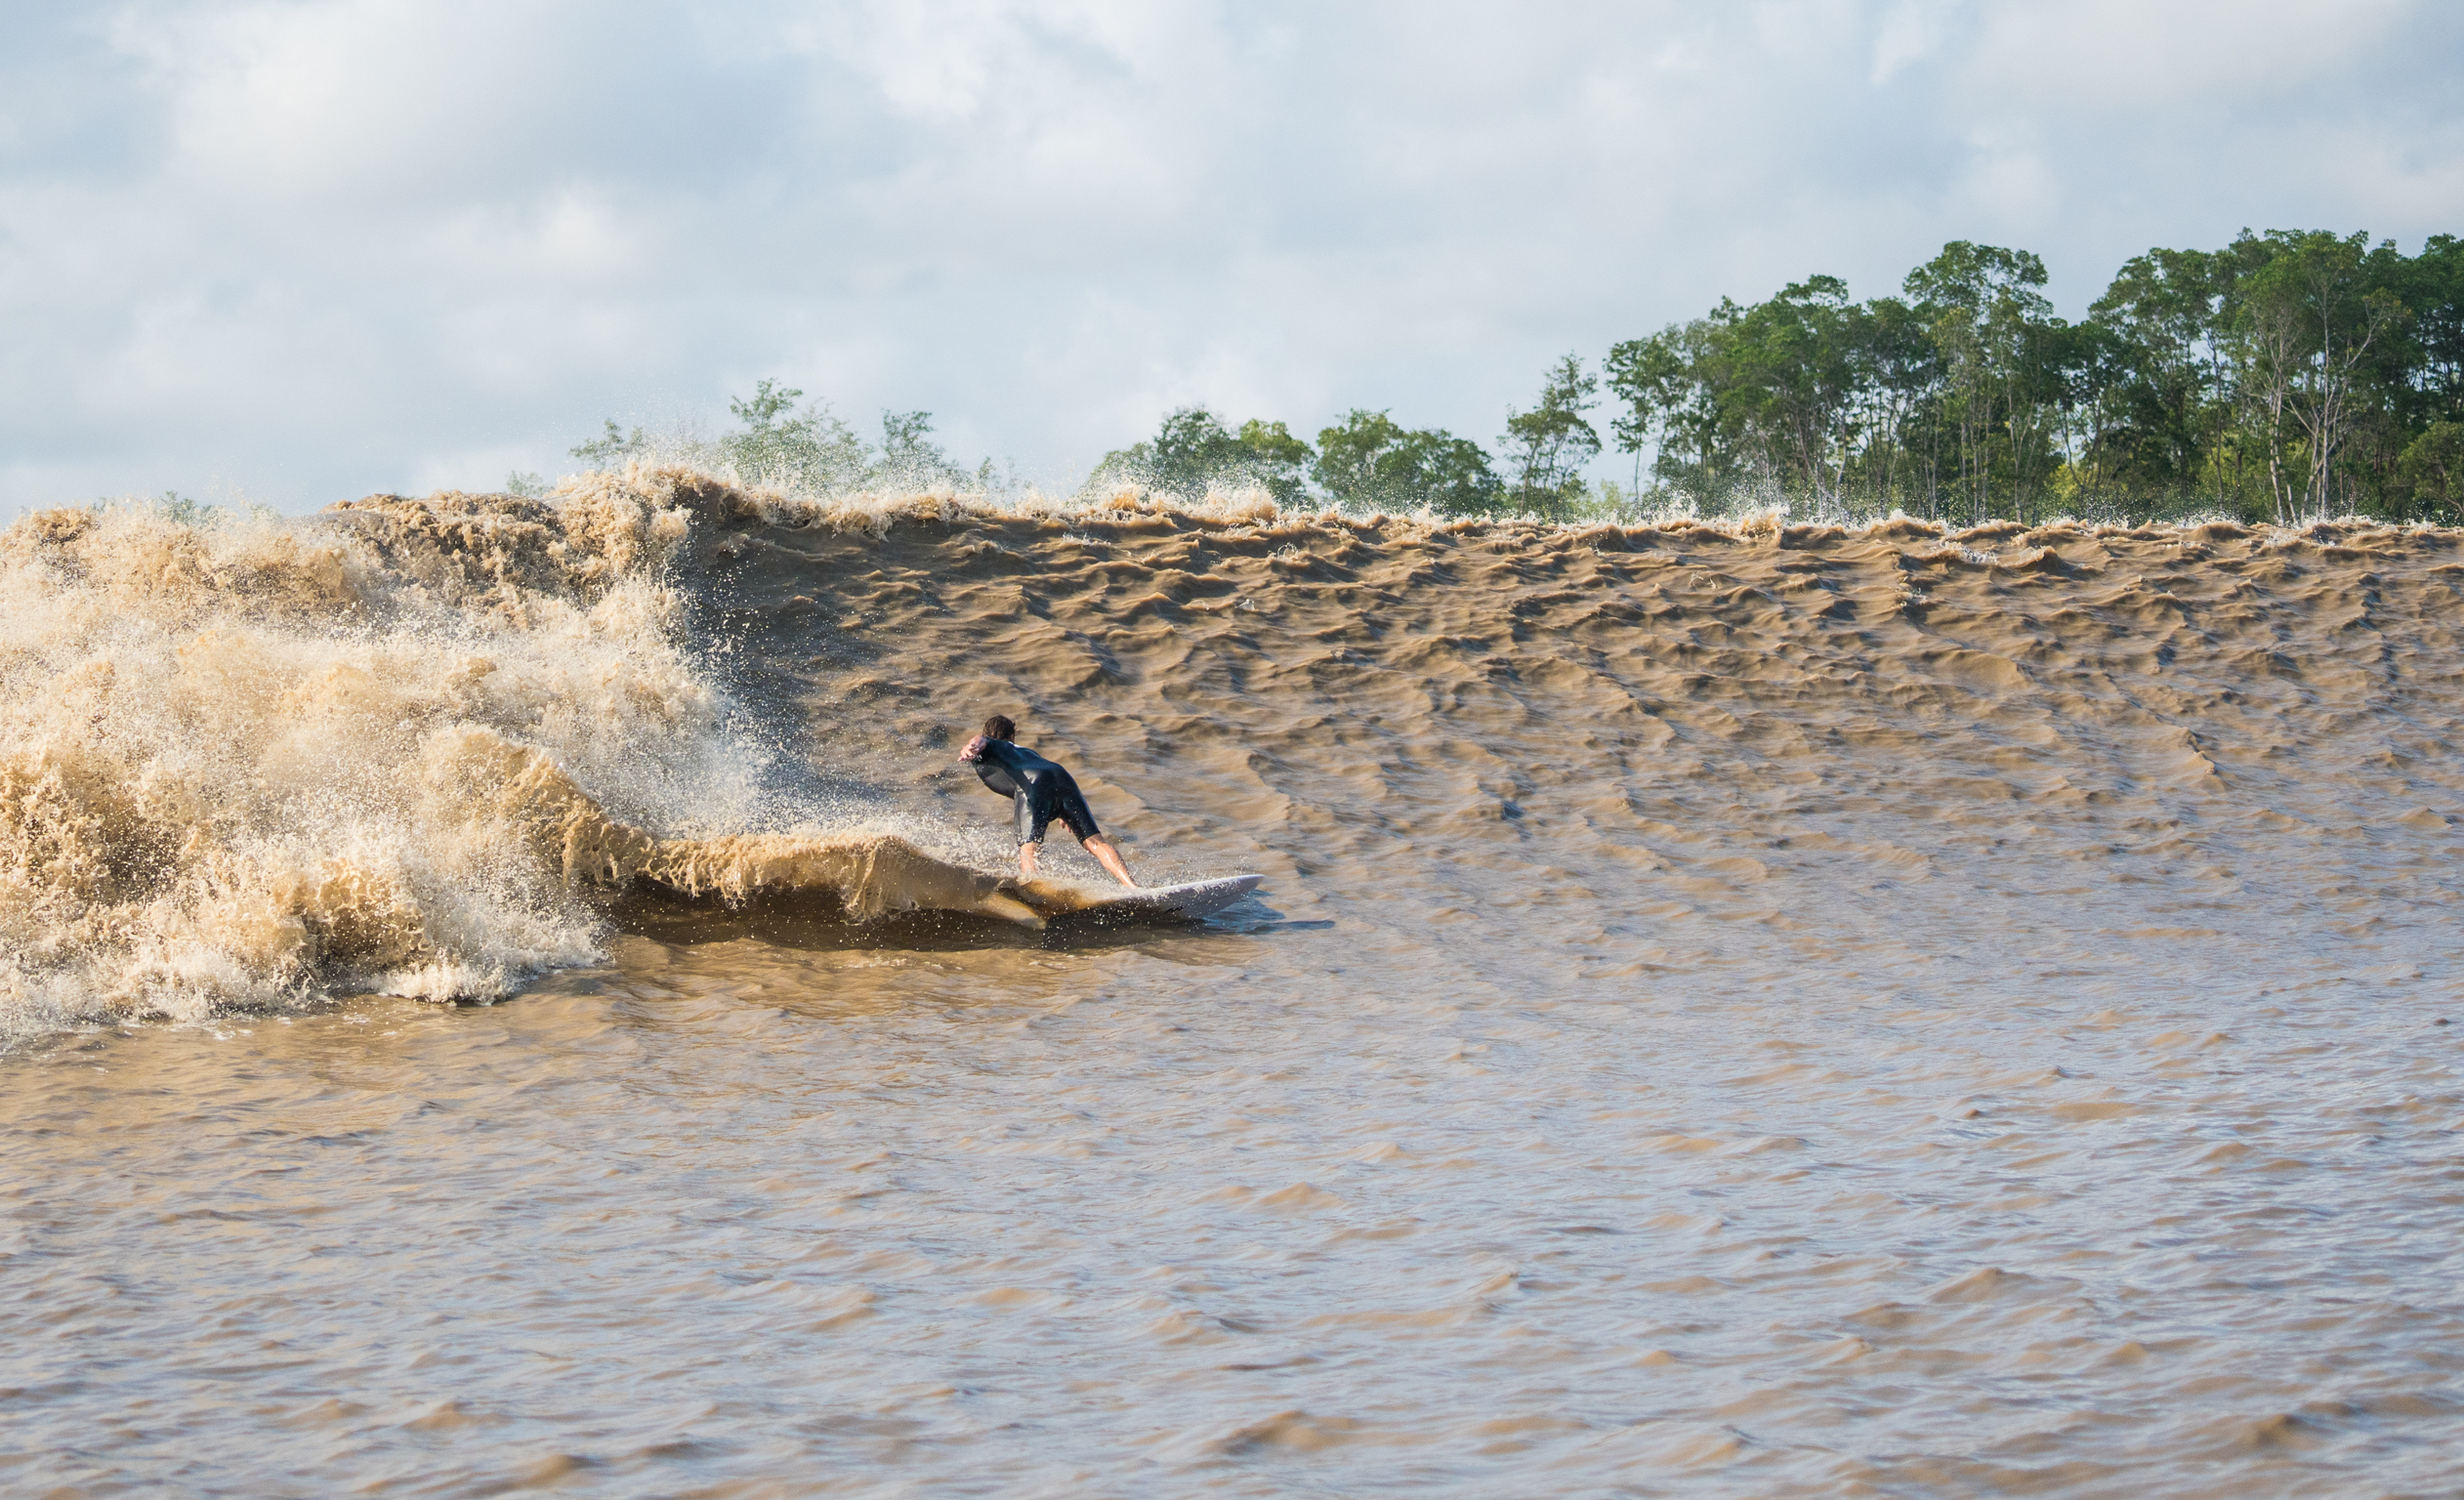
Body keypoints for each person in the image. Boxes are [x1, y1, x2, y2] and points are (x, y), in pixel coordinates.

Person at [959, 714, 1138, 888]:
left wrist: (971, 746)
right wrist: (1064, 810)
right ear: (1012, 735)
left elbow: (980, 740)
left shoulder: (994, 746)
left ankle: (1032, 888)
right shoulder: (1025, 752)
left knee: (1029, 848)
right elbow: (1048, 778)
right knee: (1096, 843)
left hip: (1034, 782)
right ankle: (1132, 887)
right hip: (1061, 777)